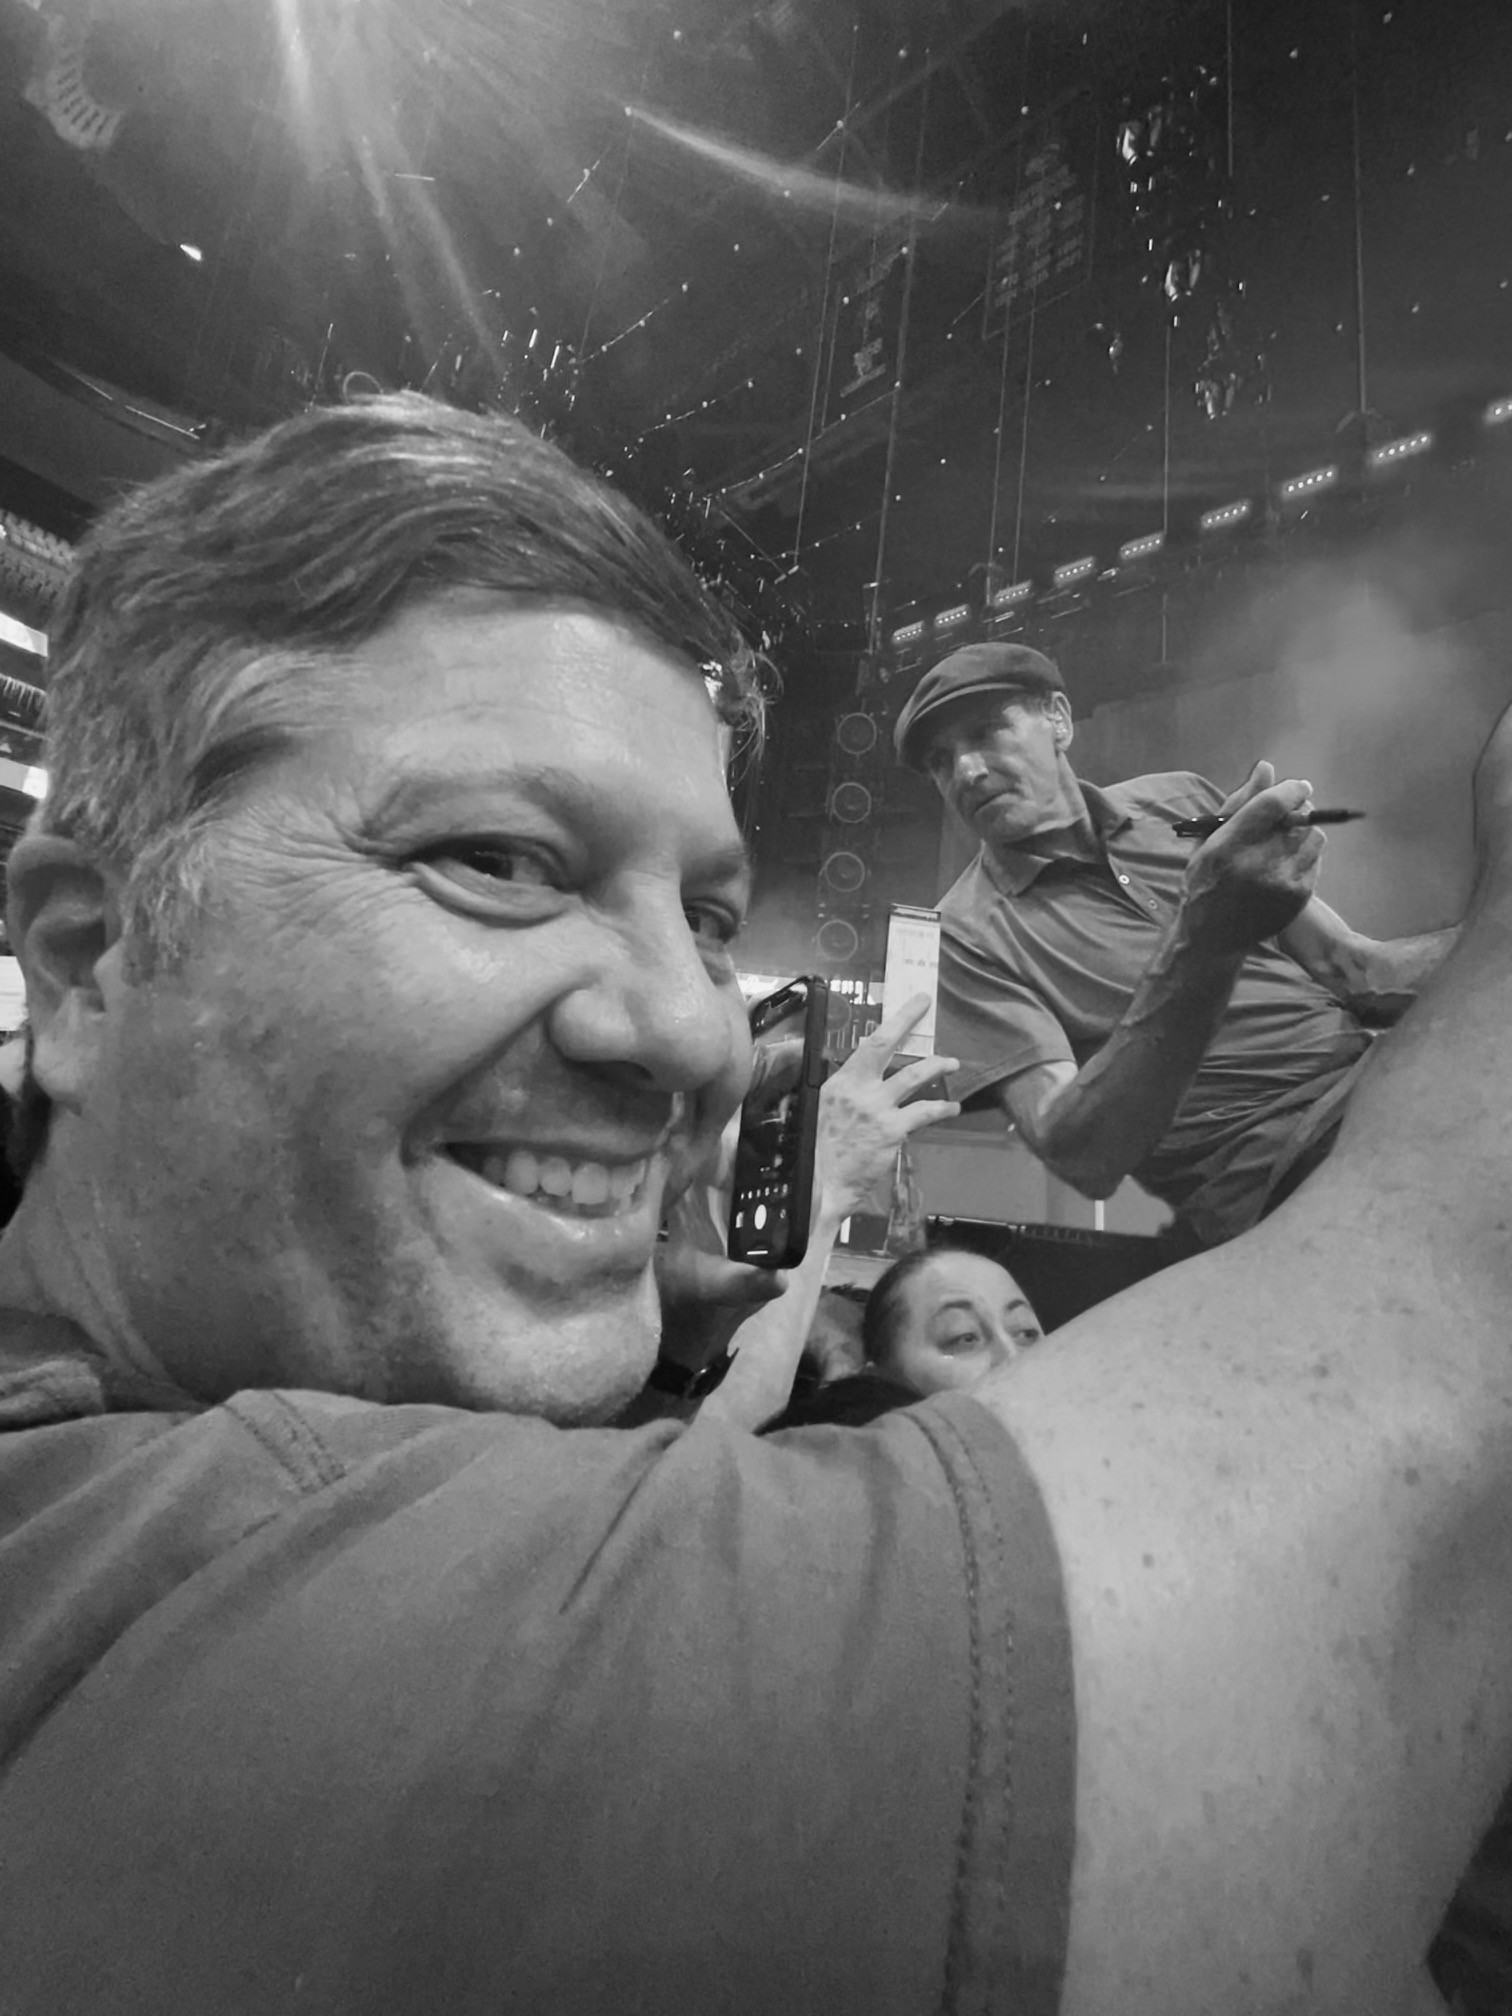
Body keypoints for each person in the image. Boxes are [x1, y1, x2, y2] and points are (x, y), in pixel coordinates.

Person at [3, 393, 1512, 2015]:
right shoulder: (126, 1567)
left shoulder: (1180, 809)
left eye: (708, 913)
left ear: (1060, 723)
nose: (699, 1030)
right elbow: (1209, 1224)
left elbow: (1364, 977)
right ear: (90, 963)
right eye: (501, 860)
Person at [893, 640, 1461, 1248]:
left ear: (1058, 719)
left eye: (986, 731)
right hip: (1272, 1166)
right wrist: (1204, 935)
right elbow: (1079, 1151)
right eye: (940, 760)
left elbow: (1353, 968)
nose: (967, 772)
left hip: (1386, 1078)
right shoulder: (961, 934)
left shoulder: (1181, 800)